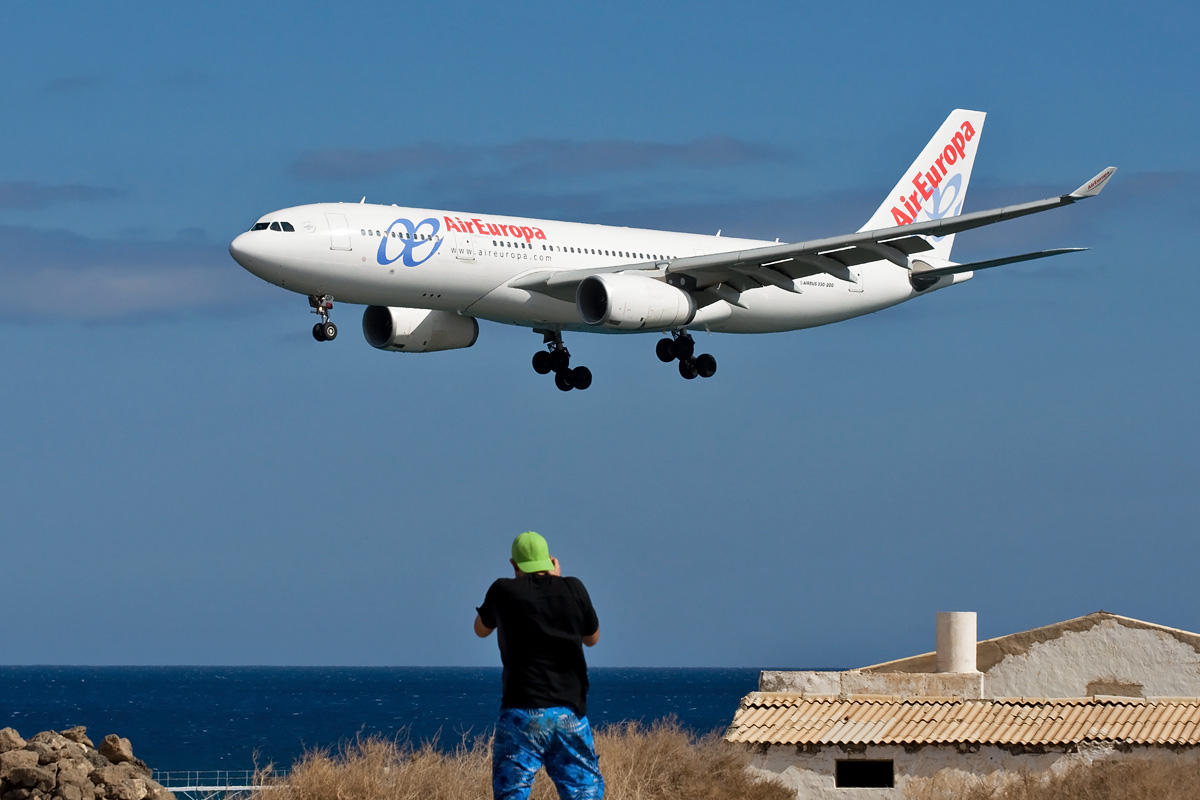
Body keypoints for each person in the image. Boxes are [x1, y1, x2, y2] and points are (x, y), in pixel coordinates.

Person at [474, 531, 603, 800]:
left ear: (514, 565)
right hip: (568, 710)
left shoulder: (503, 590)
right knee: (583, 791)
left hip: (521, 711)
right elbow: (592, 638)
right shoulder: (574, 587)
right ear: (549, 561)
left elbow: (480, 630)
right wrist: (557, 585)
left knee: (512, 792)